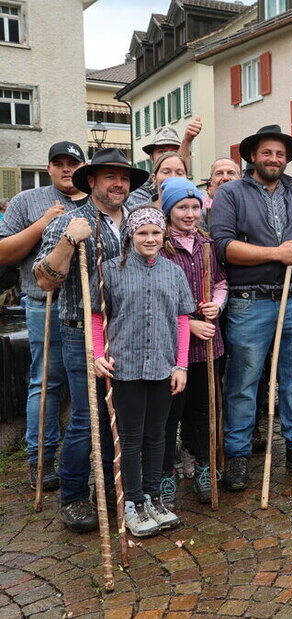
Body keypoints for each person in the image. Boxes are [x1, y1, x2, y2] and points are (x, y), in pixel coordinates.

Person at [33, 148, 148, 532]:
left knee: (125, 414)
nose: (119, 184)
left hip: (130, 332)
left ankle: (116, 489)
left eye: (125, 178)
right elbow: (45, 279)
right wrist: (69, 240)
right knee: (88, 416)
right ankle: (74, 496)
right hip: (81, 331)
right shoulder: (70, 221)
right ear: (92, 181)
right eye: (110, 177)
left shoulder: (137, 220)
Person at [210, 124, 292, 491]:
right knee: (244, 384)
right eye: (267, 152)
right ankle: (238, 455)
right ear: (252, 156)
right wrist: (274, 254)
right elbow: (223, 247)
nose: (274, 159)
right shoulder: (230, 194)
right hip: (250, 305)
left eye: (280, 153)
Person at [93, 206, 194, 536]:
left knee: (158, 436)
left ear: (163, 234)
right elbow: (97, 316)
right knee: (131, 439)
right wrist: (97, 354)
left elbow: (181, 320)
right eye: (142, 232)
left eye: (155, 232)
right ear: (131, 236)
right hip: (125, 367)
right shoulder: (109, 270)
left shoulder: (174, 272)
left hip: (163, 367)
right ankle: (132, 502)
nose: (150, 238)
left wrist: (180, 365)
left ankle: (152, 498)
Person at [0, 141, 86, 490]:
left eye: (73, 163)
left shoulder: (95, 198)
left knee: (83, 385)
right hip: (43, 303)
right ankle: (41, 457)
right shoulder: (26, 201)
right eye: (59, 163)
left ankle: (79, 455)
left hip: (86, 306)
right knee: (47, 381)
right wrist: (43, 224)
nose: (67, 169)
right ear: (49, 168)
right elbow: (5, 253)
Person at [159, 177, 226, 505]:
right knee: (171, 411)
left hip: (207, 342)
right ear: (169, 210)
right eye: (182, 207)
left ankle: (203, 465)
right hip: (171, 344)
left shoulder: (207, 243)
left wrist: (217, 302)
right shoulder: (158, 244)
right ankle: (165, 474)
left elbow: (222, 282)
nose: (189, 214)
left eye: (195, 207)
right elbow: (153, 298)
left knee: (203, 408)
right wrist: (190, 323)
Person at [127, 120, 203, 207]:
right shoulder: (137, 193)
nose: (168, 156)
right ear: (151, 157)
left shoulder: (195, 195)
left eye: (174, 152)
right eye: (162, 151)